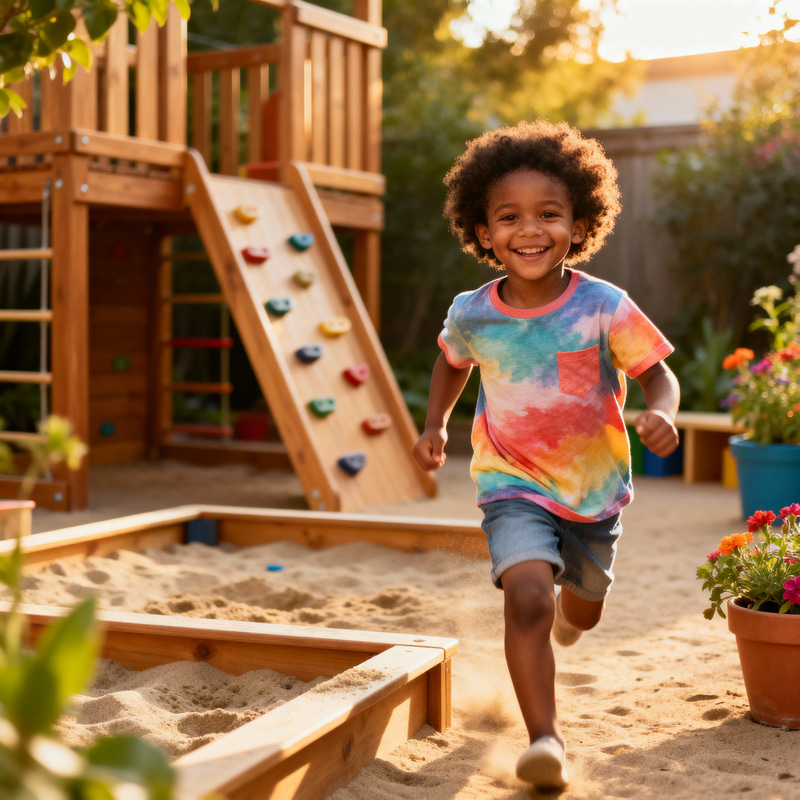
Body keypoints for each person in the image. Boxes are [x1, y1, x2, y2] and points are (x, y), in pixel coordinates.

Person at [413, 119, 680, 793]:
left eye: (548, 214)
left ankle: (573, 612)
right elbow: (451, 365)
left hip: (594, 493)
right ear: (482, 231)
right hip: (512, 484)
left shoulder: (602, 306)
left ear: (580, 222)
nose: (528, 230)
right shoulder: (473, 314)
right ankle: (545, 740)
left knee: (579, 610)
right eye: (509, 217)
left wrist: (664, 414)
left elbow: (658, 376)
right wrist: (436, 425)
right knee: (527, 598)